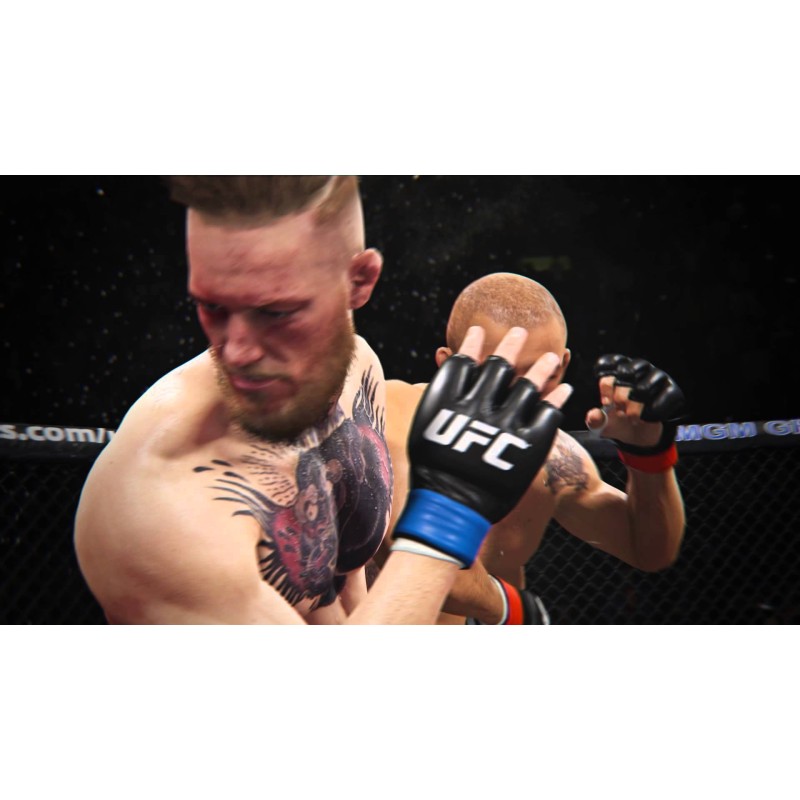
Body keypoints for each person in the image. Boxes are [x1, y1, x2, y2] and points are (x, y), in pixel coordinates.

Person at [73, 177, 571, 624]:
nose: (237, 351)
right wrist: (447, 517)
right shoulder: (162, 509)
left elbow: (344, 583)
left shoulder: (360, 368)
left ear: (359, 282)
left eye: (277, 311)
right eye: (212, 306)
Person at [380, 272, 686, 624]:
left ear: (564, 365)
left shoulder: (554, 459)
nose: (521, 391)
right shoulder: (390, 412)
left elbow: (649, 551)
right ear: (450, 363)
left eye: (542, 373)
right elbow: (417, 565)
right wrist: (516, 611)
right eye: (498, 371)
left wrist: (648, 454)